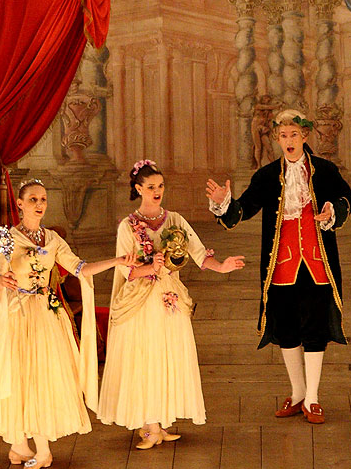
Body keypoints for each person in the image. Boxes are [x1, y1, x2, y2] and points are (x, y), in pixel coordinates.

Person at [0, 179, 128, 469]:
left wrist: (116, 261)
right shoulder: (9, 238)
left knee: (41, 379)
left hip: (45, 317)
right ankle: (21, 444)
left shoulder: (52, 240)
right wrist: (2, 281)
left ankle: (39, 450)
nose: (40, 205)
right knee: (19, 379)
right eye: (33, 199)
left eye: (43, 200)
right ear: (20, 204)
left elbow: (80, 268)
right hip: (16, 315)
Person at [207, 108, 351, 425]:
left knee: (315, 329)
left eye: (294, 135)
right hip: (281, 267)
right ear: (277, 139)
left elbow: (347, 197)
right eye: (283, 135)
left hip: (317, 264)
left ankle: (313, 398)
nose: (289, 140)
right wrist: (223, 203)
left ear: (304, 136)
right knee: (287, 328)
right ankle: (298, 393)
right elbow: (243, 210)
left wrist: (332, 210)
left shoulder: (325, 171)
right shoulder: (266, 177)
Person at [101, 161, 245, 449]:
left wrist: (222, 266)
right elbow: (126, 270)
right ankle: (150, 426)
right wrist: (150, 267)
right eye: (150, 187)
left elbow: (199, 253)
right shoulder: (128, 226)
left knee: (168, 356)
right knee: (146, 359)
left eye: (160, 186)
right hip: (141, 302)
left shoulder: (175, 220)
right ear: (138, 188)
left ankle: (159, 422)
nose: (157, 191)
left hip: (169, 298)